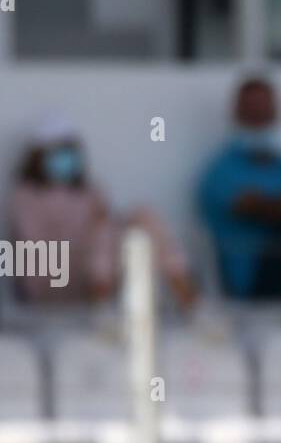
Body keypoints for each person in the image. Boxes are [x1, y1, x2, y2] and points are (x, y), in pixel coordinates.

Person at [7, 114, 196, 308]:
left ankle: (189, 301)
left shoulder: (90, 191)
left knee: (143, 216)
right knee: (103, 236)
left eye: (68, 150)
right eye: (56, 152)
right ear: (38, 156)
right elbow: (35, 251)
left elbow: (106, 226)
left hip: (98, 273)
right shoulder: (26, 196)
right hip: (54, 278)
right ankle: (101, 314)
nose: (64, 158)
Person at [198, 76, 281, 301]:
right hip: (254, 281)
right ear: (237, 114)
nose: (258, 119)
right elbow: (261, 209)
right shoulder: (221, 172)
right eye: (252, 112)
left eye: (264, 111)